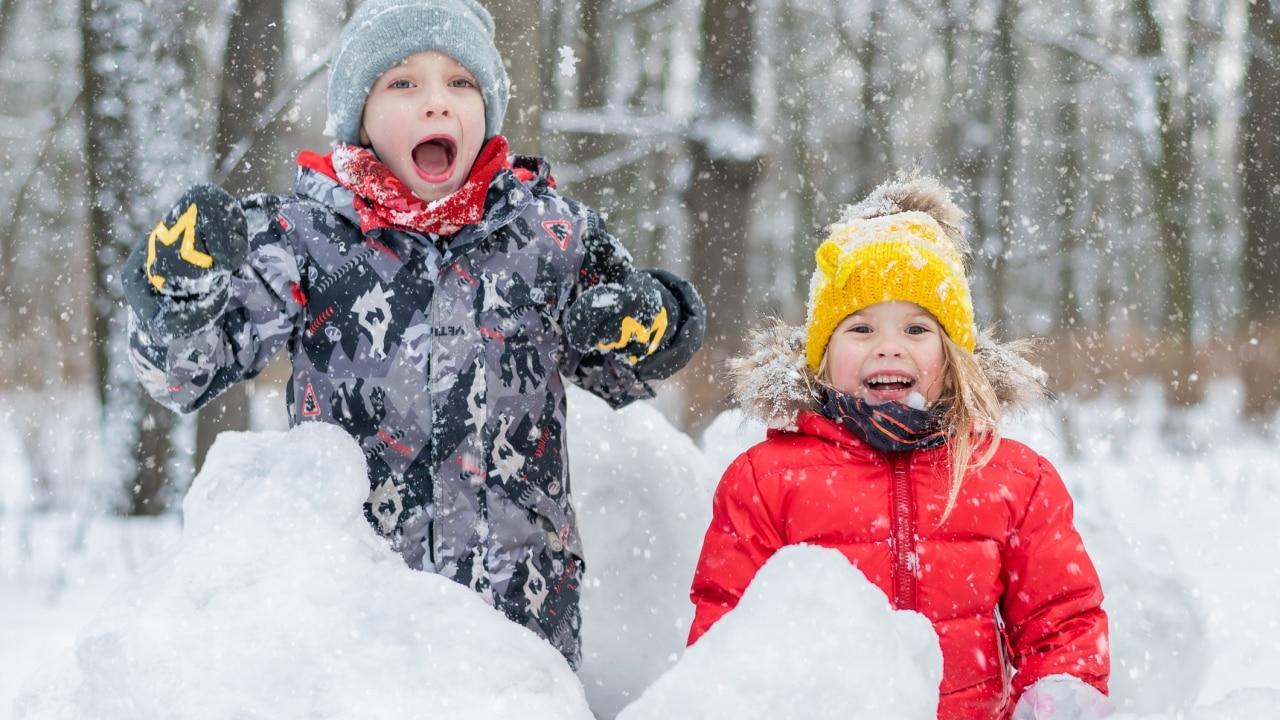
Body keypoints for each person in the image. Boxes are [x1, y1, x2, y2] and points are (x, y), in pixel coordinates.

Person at [120, 0, 704, 670]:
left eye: (461, 83)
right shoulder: (304, 240)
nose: (436, 103)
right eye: (403, 83)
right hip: (359, 623)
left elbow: (630, 360)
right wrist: (174, 299)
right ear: (360, 116)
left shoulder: (551, 235)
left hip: (522, 620)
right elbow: (181, 373)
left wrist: (656, 316)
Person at [686, 174, 1108, 719]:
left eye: (916, 329)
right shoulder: (767, 480)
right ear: (822, 354)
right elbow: (726, 627)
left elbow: (1061, 619)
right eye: (860, 329)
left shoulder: (1011, 478)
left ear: (953, 351)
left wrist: (1058, 700)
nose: (889, 348)